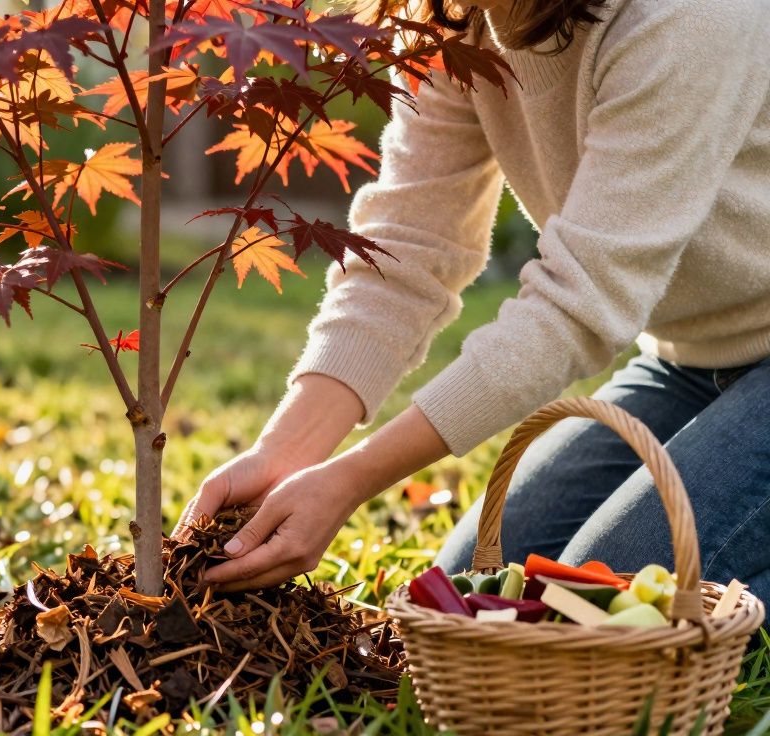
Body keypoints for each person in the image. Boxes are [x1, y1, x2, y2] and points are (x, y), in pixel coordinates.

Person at [174, 0, 770, 601]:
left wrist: (352, 478)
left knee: (601, 598)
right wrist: (288, 449)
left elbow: (578, 303)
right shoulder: (456, 19)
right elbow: (409, 246)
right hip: (688, 360)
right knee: (479, 584)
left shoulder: (692, 17)